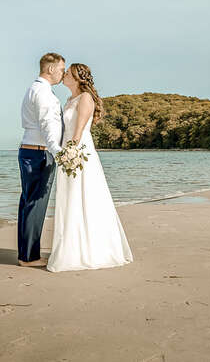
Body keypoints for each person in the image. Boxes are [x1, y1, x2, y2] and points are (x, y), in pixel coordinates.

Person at [47, 63, 133, 272]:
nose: (64, 75)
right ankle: (72, 246)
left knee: (83, 196)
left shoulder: (85, 98)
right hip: (70, 152)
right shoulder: (69, 99)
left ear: (77, 78)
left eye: (67, 73)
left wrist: (70, 153)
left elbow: (78, 131)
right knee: (70, 199)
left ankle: (91, 249)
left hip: (79, 154)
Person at [17, 53, 66, 267]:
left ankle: (27, 253)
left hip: (31, 150)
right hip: (39, 152)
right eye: (62, 69)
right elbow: (48, 124)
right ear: (51, 69)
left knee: (29, 202)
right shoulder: (43, 92)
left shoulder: (34, 89)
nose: (63, 73)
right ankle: (28, 257)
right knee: (35, 203)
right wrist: (58, 152)